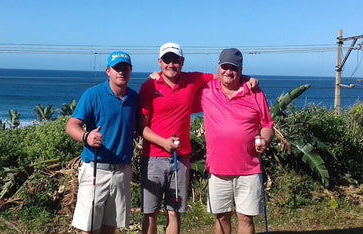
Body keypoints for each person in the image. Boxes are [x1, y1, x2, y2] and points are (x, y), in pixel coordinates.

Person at [138, 42, 259, 234]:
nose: (171, 64)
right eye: (167, 60)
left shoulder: (192, 79)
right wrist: (163, 143)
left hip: (181, 158)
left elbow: (224, 74)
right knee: (151, 213)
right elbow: (141, 127)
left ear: (182, 61)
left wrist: (248, 79)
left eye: (175, 60)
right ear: (160, 62)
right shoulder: (149, 85)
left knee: (174, 212)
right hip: (152, 157)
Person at [193, 48, 274, 234]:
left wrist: (265, 140)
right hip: (217, 168)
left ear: (241, 69)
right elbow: (182, 89)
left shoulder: (255, 92)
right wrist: (159, 78)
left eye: (234, 68)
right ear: (218, 67)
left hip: (249, 168)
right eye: (225, 67)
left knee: (245, 218)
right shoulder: (207, 90)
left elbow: (267, 125)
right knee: (222, 217)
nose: (228, 71)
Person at [66, 51, 138, 234]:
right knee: (89, 228)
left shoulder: (134, 97)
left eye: (125, 68)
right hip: (95, 170)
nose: (121, 72)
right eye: (117, 68)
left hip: (122, 171)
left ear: (130, 71)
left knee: (110, 227)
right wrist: (86, 136)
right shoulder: (93, 94)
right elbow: (72, 125)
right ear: (108, 71)